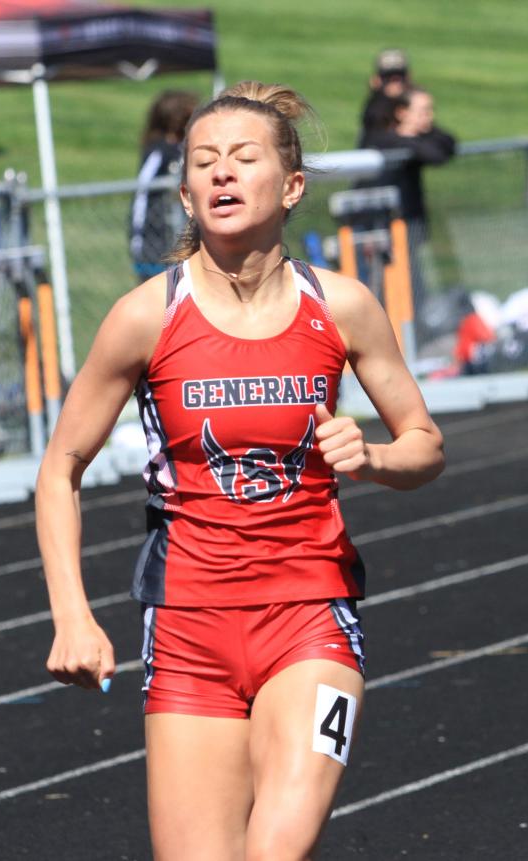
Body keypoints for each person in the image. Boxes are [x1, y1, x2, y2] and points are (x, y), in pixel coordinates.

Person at [36, 81, 445, 860]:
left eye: (243, 158)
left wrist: (378, 457)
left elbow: (425, 442)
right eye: (204, 162)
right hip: (190, 629)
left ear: (291, 186)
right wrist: (72, 616)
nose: (222, 174)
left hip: (311, 612)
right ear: (186, 194)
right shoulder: (146, 315)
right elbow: (60, 466)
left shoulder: (344, 306)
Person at [355, 87, 457, 303]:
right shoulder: (385, 140)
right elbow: (433, 153)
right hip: (383, 226)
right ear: (402, 113)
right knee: (385, 284)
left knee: (414, 281)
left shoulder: (418, 138)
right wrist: (412, 140)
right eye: (423, 111)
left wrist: (419, 134)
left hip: (410, 223)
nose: (429, 117)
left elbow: (448, 143)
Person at [129, 89, 199, 280]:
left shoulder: (187, 149)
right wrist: (139, 239)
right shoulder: (159, 151)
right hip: (157, 243)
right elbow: (143, 192)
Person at [358, 48, 413, 147]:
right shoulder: (374, 109)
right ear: (377, 80)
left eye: (400, 76)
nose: (395, 82)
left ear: (408, 78)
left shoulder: (414, 105)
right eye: (388, 77)